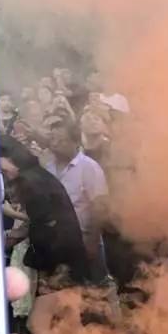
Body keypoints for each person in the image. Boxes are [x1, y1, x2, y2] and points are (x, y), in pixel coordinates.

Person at [0, 135, 89, 334]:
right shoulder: (37, 176)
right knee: (71, 323)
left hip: (59, 263)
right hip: (68, 258)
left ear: (11, 158)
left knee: (37, 324)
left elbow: (42, 223)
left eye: (2, 169)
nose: (2, 174)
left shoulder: (30, 182)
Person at [45, 118, 109, 283]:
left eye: (60, 140)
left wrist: (92, 242)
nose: (54, 144)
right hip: (57, 243)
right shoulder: (48, 168)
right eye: (52, 139)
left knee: (93, 291)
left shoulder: (89, 167)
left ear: (75, 142)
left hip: (84, 240)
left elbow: (100, 208)